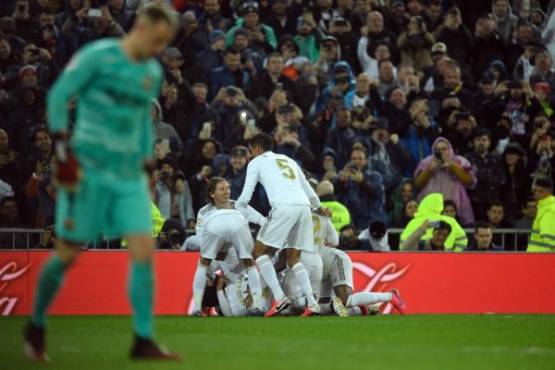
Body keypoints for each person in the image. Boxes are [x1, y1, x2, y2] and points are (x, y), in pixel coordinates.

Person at [23, 4, 180, 361]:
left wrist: (145, 167)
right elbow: (59, 96)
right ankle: (35, 325)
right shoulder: (97, 56)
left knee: (143, 250)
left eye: (164, 43)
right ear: (141, 25)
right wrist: (62, 150)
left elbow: (142, 121)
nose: (158, 49)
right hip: (87, 171)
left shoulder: (151, 73)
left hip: (127, 175)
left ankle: (143, 339)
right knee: (66, 254)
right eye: (157, 40)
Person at [236, 133, 328, 317]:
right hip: (303, 208)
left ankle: (280, 299)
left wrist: (238, 206)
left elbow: (246, 195)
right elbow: (308, 188)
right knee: (294, 259)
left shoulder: (256, 162)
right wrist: (318, 207)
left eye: (251, 150)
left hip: (284, 208)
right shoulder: (288, 159)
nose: (250, 154)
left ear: (256, 148)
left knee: (259, 253)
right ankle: (312, 302)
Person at [191, 177, 266, 316]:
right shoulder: (204, 212)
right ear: (212, 194)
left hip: (233, 259)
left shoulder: (238, 206)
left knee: (204, 263)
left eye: (228, 188)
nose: (227, 192)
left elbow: (261, 220)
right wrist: (217, 252)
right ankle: (198, 307)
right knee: (204, 264)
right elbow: (201, 239)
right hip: (220, 255)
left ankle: (256, 305)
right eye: (222, 189)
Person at [414, 137, 476, 226]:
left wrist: (453, 167)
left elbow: (470, 181)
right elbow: (418, 183)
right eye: (437, 149)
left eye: (444, 149)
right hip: (432, 209)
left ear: (450, 149)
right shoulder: (426, 162)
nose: (441, 152)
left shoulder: (460, 161)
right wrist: (429, 170)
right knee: (435, 233)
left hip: (456, 209)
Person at [334, 147, 385, 230]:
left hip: (370, 219)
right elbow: (333, 194)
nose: (357, 161)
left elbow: (377, 194)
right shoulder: (343, 175)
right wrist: (341, 181)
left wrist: (362, 181)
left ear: (366, 161)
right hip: (349, 221)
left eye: (360, 158)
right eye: (354, 158)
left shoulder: (375, 176)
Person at [400, 192, 468, 251]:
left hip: (420, 259)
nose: (440, 237)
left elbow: (403, 243)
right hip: (446, 258)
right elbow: (463, 240)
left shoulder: (414, 222)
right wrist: (455, 254)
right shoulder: (450, 221)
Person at [527, 178, 555, 252]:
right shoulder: (543, 207)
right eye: (535, 190)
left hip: (541, 257)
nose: (536, 193)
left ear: (550, 191)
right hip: (538, 256)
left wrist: (544, 260)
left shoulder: (549, 210)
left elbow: (550, 241)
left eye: (540, 191)